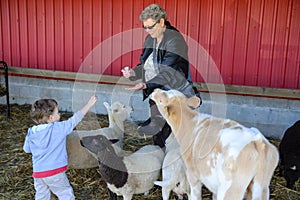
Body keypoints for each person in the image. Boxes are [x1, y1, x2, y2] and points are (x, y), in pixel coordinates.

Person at [121, 4, 201, 147]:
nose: (147, 31)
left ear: (162, 22)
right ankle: (159, 162)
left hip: (173, 94)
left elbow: (167, 72)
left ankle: (171, 164)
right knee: (157, 132)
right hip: (156, 92)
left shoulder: (175, 41)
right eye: (144, 27)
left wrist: (146, 84)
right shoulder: (150, 39)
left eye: (150, 27)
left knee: (171, 134)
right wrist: (133, 72)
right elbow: (147, 65)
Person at [23, 95, 98, 200]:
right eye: (57, 112)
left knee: (41, 196)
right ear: (50, 118)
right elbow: (74, 120)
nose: (59, 114)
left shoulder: (31, 132)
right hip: (55, 172)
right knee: (66, 194)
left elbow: (26, 149)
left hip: (38, 174)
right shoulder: (58, 128)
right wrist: (89, 104)